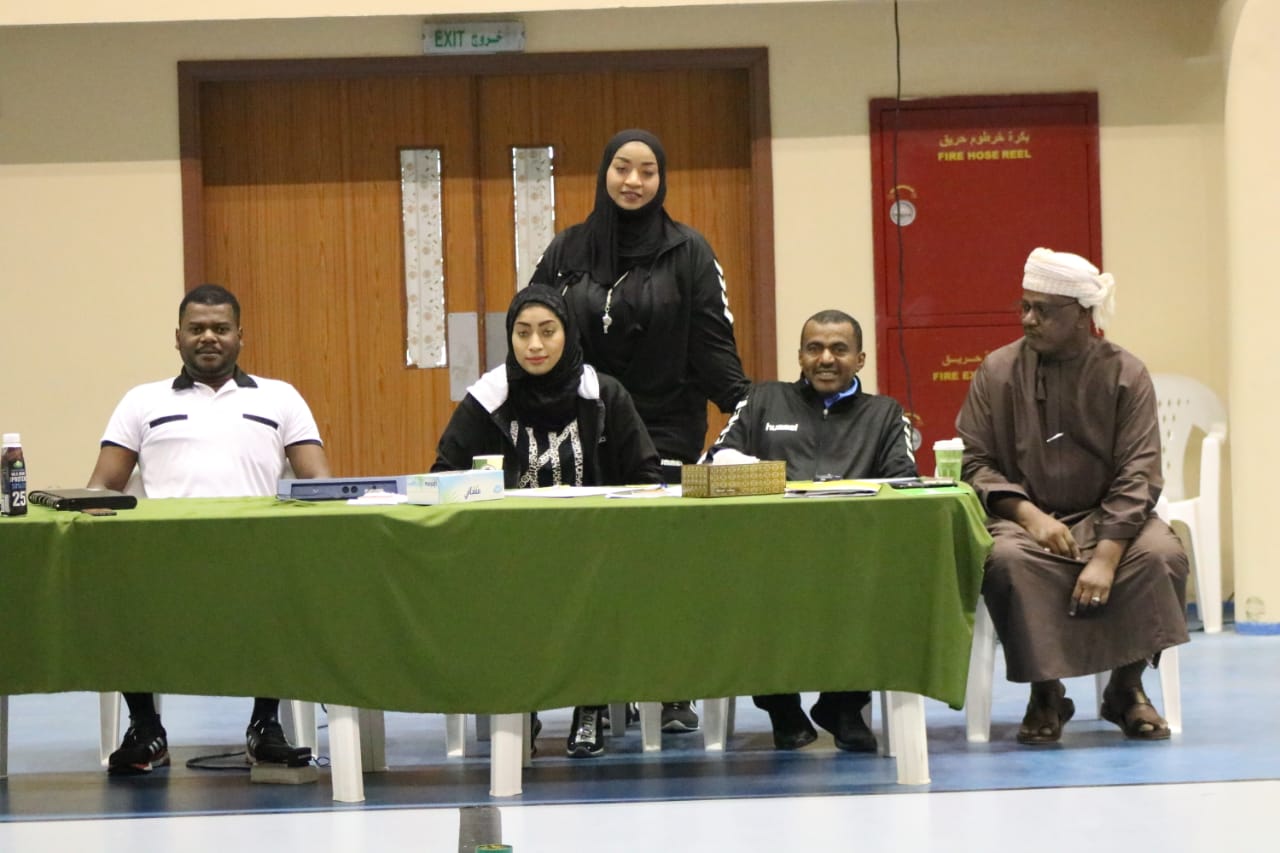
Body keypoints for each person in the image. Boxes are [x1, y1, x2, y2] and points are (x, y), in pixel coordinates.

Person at [530, 128, 751, 733]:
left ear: (662, 179)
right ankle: (594, 686)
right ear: (604, 173)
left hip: (664, 429)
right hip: (581, 428)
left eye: (647, 171)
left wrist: (753, 411)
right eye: (622, 168)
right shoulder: (566, 249)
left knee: (662, 562)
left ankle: (672, 684)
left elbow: (713, 345)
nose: (633, 181)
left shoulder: (690, 251)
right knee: (586, 563)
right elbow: (535, 329)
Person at [87, 283, 332, 774]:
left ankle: (265, 728)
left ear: (241, 336)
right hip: (162, 561)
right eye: (196, 328)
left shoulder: (281, 397)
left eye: (221, 328)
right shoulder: (141, 401)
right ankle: (146, 730)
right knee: (114, 592)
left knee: (292, 586)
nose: (208, 337)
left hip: (257, 559)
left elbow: (319, 483)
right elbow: (101, 486)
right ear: (177, 337)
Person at [955, 248, 1189, 745]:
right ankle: (1046, 692)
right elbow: (975, 462)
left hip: (1112, 520)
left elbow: (1140, 472)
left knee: (1161, 555)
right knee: (1007, 561)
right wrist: (1030, 516)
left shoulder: (1126, 373)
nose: (1028, 319)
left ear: (1083, 315)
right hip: (1023, 522)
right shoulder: (997, 371)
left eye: (1042, 310)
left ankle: (1126, 688)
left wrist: (1106, 555)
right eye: (1024, 306)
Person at [433, 285, 662, 757]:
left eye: (547, 332)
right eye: (522, 333)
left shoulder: (603, 395)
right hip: (509, 554)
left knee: (593, 585)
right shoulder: (489, 397)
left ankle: (589, 705)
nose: (534, 345)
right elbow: (443, 476)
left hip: (595, 551)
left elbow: (646, 476)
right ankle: (521, 706)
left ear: (568, 334)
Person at [707, 309, 917, 751]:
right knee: (743, 583)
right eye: (814, 348)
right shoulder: (763, 400)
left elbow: (904, 484)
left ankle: (843, 705)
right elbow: (716, 462)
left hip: (852, 555)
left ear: (860, 359)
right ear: (800, 356)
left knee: (881, 582)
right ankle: (781, 708)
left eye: (839, 349)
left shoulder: (884, 414)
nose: (826, 359)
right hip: (768, 554)